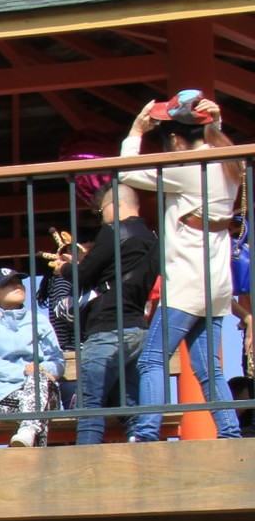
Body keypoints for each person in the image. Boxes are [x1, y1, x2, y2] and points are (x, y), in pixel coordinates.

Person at [119, 93, 245, 442]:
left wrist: (135, 131)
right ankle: (230, 432)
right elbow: (213, 139)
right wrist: (214, 123)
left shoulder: (189, 168)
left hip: (188, 281)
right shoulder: (228, 162)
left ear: (175, 139)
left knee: (151, 361)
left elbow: (128, 172)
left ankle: (145, 433)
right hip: (216, 283)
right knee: (208, 369)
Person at [50, 181, 158, 445]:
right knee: (131, 405)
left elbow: (85, 276)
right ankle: (141, 456)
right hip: (137, 330)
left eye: (101, 212)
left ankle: (88, 464)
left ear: (114, 205)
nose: (102, 218)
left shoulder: (112, 231)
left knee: (90, 404)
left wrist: (64, 269)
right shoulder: (153, 237)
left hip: (106, 328)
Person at [0, 268, 65, 448]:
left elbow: (57, 360)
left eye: (19, 282)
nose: (17, 286)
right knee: (38, 405)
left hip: (43, 390)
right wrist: (27, 373)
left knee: (38, 382)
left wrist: (44, 369)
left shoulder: (39, 320)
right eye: (8, 283)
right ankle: (33, 445)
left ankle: (27, 433)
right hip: (5, 398)